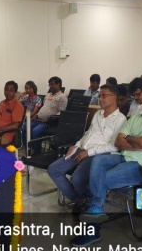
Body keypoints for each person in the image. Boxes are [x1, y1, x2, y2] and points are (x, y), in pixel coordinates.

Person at [81, 85, 142, 227]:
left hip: (141, 165)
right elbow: (119, 141)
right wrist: (135, 143)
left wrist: (129, 138)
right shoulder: (135, 117)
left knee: (100, 179)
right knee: (98, 159)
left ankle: (94, 213)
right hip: (123, 156)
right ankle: (95, 207)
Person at [48, 84, 126, 216]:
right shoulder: (98, 114)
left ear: (114, 97)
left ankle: (87, 201)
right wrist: (77, 145)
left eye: (104, 96)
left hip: (98, 155)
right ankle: (81, 200)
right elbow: (88, 133)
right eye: (100, 96)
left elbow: (115, 146)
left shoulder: (120, 119)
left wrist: (89, 153)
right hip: (82, 149)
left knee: (77, 178)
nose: (100, 99)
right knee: (53, 169)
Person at [25, 76, 67, 153]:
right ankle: (28, 149)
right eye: (49, 84)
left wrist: (48, 119)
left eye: (52, 84)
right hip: (38, 119)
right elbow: (44, 107)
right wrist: (36, 115)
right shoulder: (48, 95)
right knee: (24, 126)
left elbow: (61, 112)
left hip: (49, 122)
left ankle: (37, 153)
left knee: (35, 131)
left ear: (58, 84)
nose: (50, 86)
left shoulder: (62, 97)